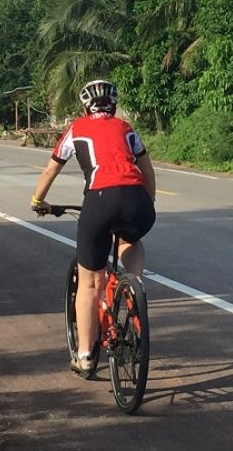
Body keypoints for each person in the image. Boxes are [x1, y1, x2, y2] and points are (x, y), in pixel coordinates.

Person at [30, 79, 156, 374]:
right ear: (113, 103)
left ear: (86, 105)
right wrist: (147, 203)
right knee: (130, 241)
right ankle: (134, 287)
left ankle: (85, 355)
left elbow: (52, 168)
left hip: (99, 200)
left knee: (89, 282)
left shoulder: (78, 127)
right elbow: (146, 169)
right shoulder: (126, 128)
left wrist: (39, 200)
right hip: (137, 199)